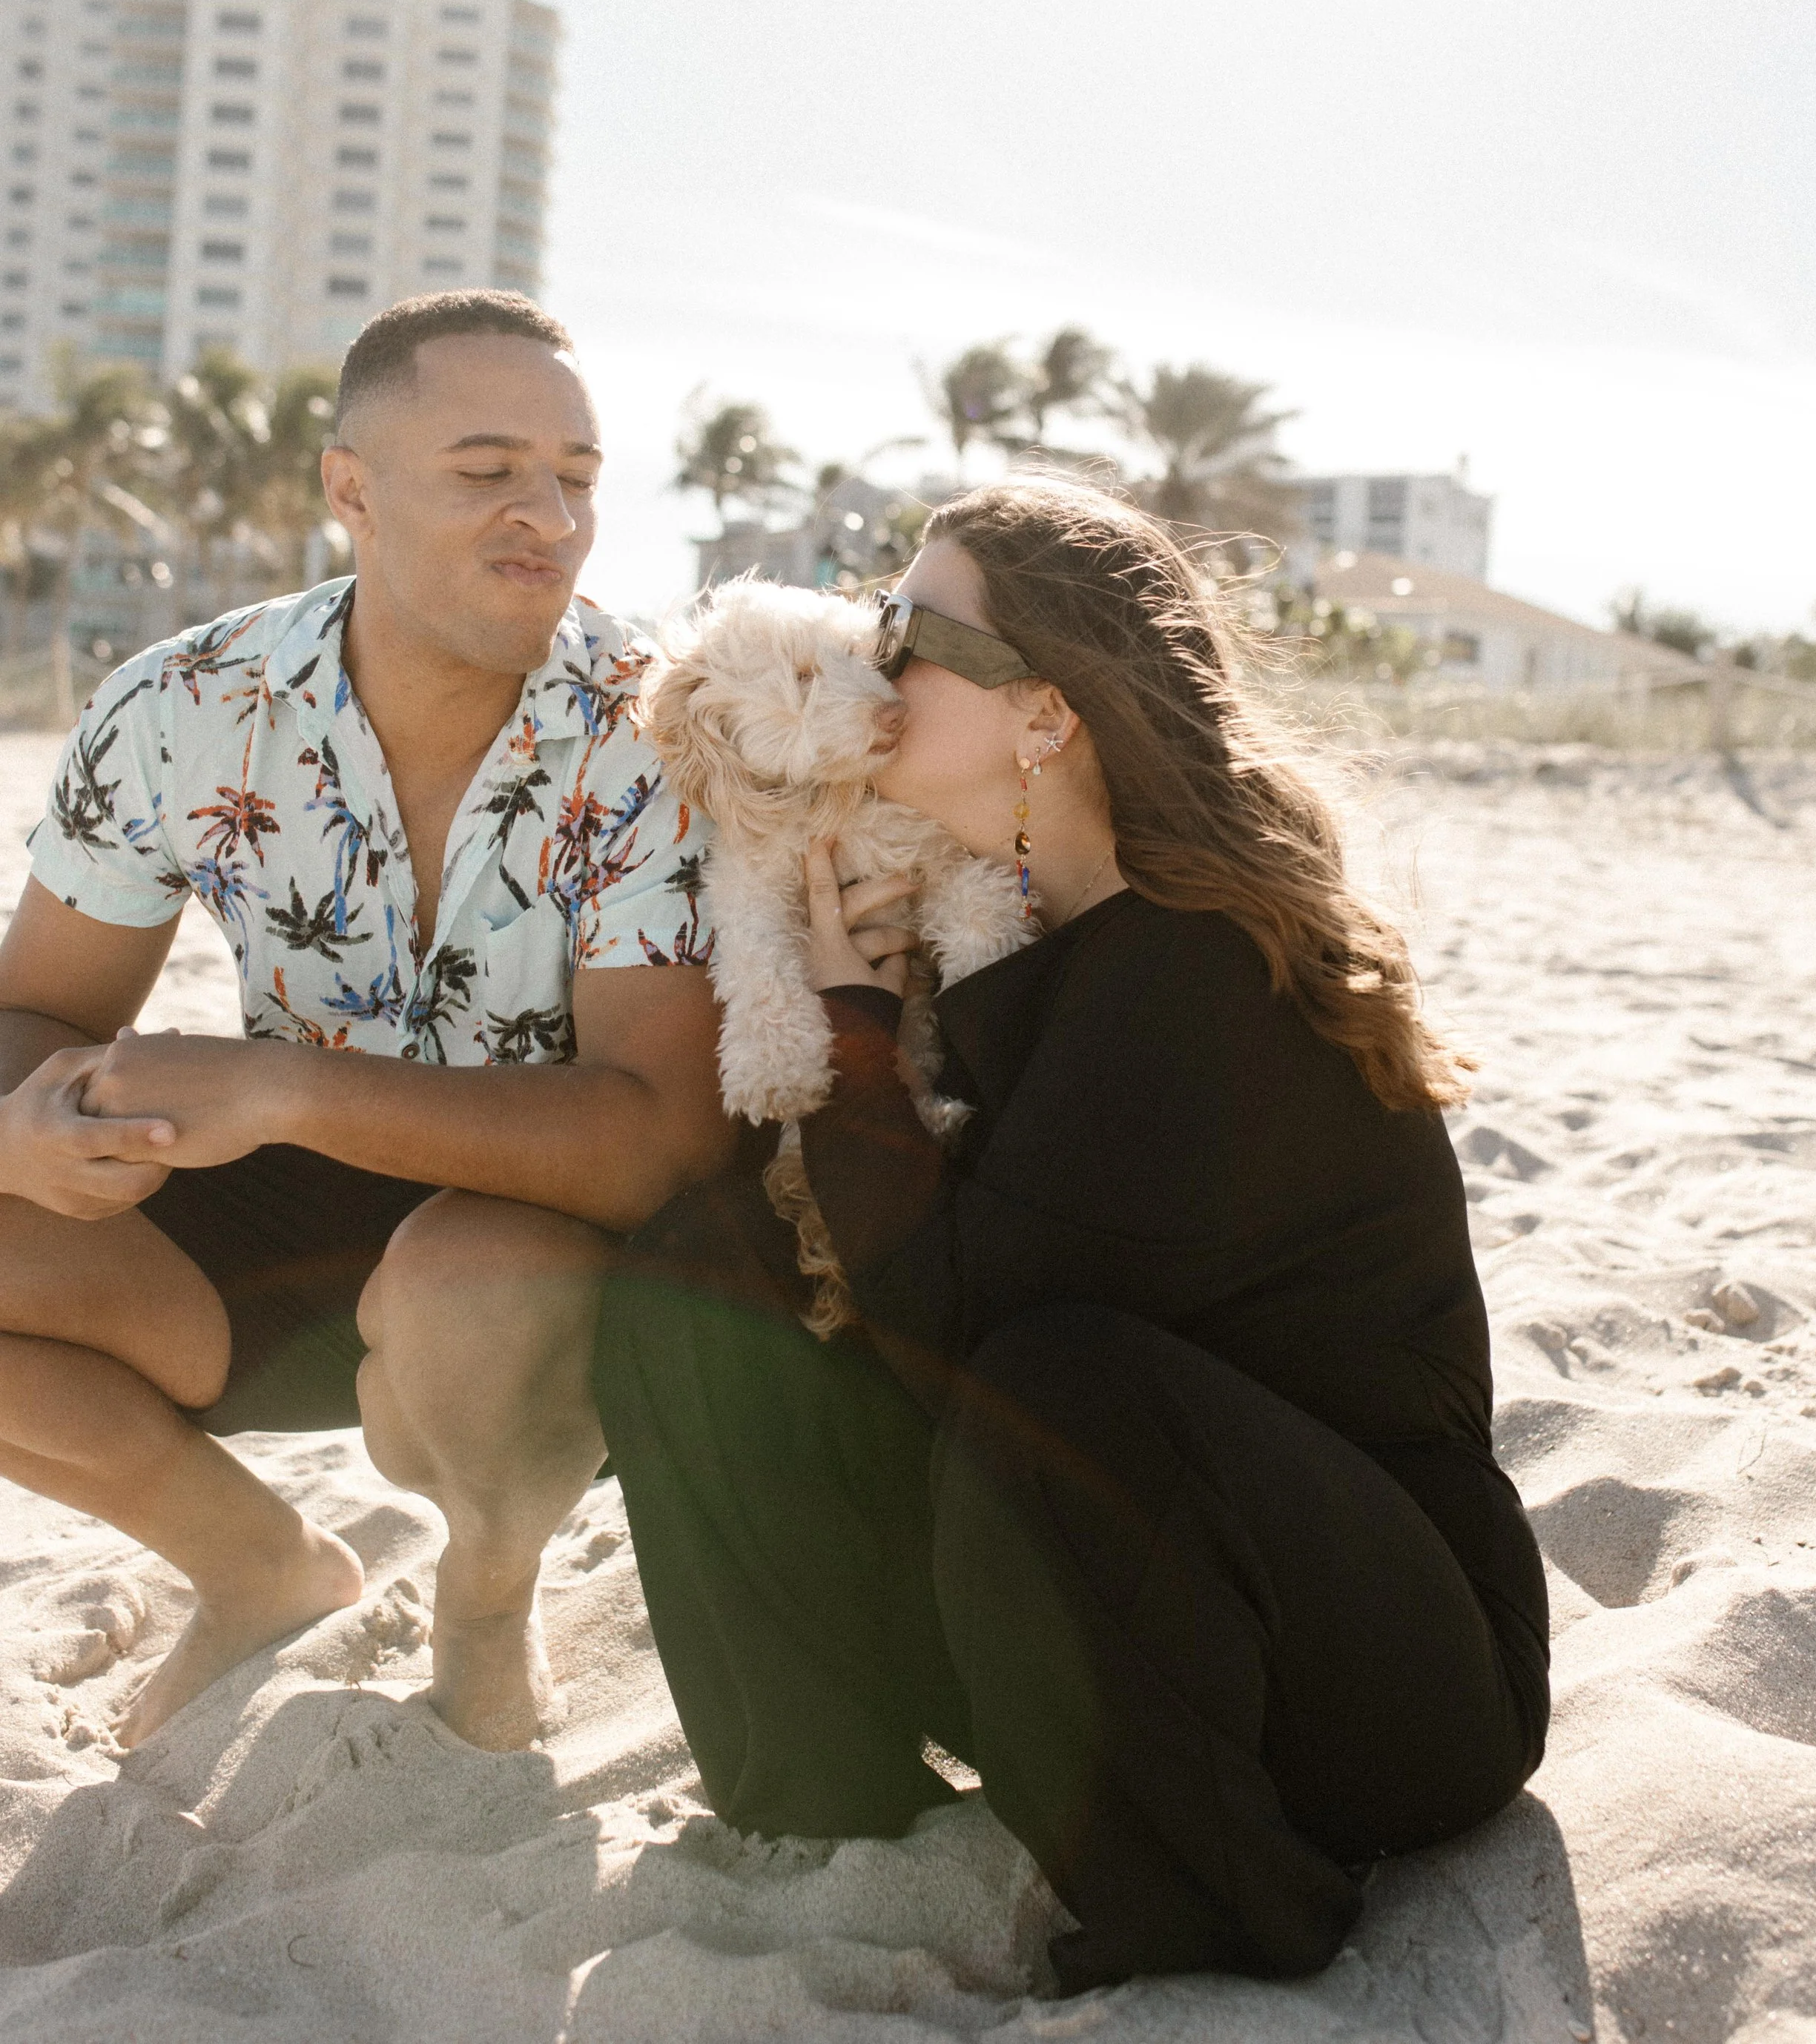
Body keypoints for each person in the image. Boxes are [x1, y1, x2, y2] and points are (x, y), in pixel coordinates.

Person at [438, 475, 1548, 1989]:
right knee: (705, 1278)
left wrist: (844, 1030)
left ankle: (1200, 1919)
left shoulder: (1201, 977)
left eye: (904, 629)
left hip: (1375, 1682)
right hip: (1127, 1607)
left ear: (1042, 714)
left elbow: (959, 1329)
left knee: (1056, 1381)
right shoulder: (1022, 938)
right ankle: (825, 1810)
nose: (865, 659)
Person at [0, 290, 734, 1750]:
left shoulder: (656, 732)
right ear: (353, 489)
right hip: (273, 1240)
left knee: (475, 1278)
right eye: (486, 471)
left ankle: (484, 1595)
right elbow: (33, 1009)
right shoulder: (181, 707)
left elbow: (652, 1142)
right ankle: (258, 1570)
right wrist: (31, 1123)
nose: (547, 514)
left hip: (552, 1246)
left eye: (576, 478)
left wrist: (282, 1087)